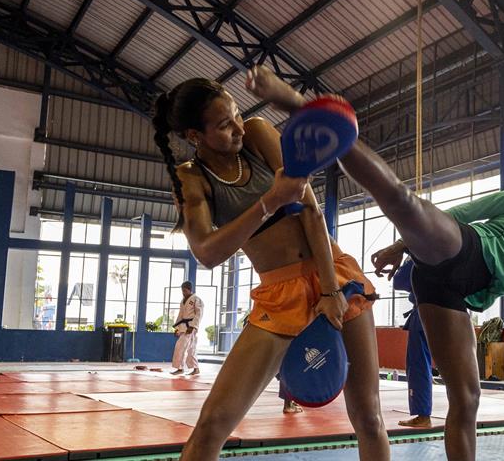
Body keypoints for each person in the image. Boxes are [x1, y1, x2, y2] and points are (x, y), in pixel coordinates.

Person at [245, 65, 504, 461]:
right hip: (463, 247)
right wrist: (402, 245)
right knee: (402, 200)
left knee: (467, 398)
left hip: (453, 292)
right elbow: (465, 212)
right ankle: (313, 115)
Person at [151, 77, 389, 460]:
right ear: (195, 135)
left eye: (237, 115)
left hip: (335, 276)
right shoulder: (191, 177)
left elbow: (311, 211)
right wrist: (268, 202)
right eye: (224, 125)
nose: (238, 127)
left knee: (368, 416)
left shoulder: (258, 133)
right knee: (212, 424)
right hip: (279, 294)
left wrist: (330, 292)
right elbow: (207, 253)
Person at [393, 260, 433, 428]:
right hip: (457, 313)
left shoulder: (420, 249)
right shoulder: (455, 245)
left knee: (419, 364)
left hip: (426, 312)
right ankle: (463, 413)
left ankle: (423, 415)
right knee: (459, 368)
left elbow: (399, 281)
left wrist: (406, 254)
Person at [172, 281, 204, 376]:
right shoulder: (183, 301)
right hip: (183, 326)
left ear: (190, 290)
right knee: (191, 348)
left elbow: (199, 314)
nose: (183, 293)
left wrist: (193, 326)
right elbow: (180, 315)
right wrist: (177, 327)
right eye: (182, 291)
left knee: (180, 346)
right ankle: (195, 368)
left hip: (191, 326)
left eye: (185, 291)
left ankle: (180, 368)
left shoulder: (196, 299)